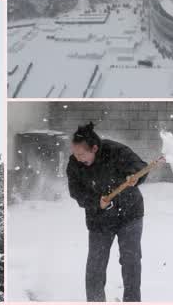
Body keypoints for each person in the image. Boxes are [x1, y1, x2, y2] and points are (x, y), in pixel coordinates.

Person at [66, 122, 155, 302]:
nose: (78, 158)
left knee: (130, 262)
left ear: (95, 148)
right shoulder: (74, 164)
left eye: (82, 154)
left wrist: (133, 176)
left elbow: (140, 166)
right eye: (75, 154)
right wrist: (95, 202)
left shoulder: (115, 150)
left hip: (129, 214)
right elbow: (76, 192)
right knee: (95, 268)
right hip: (99, 219)